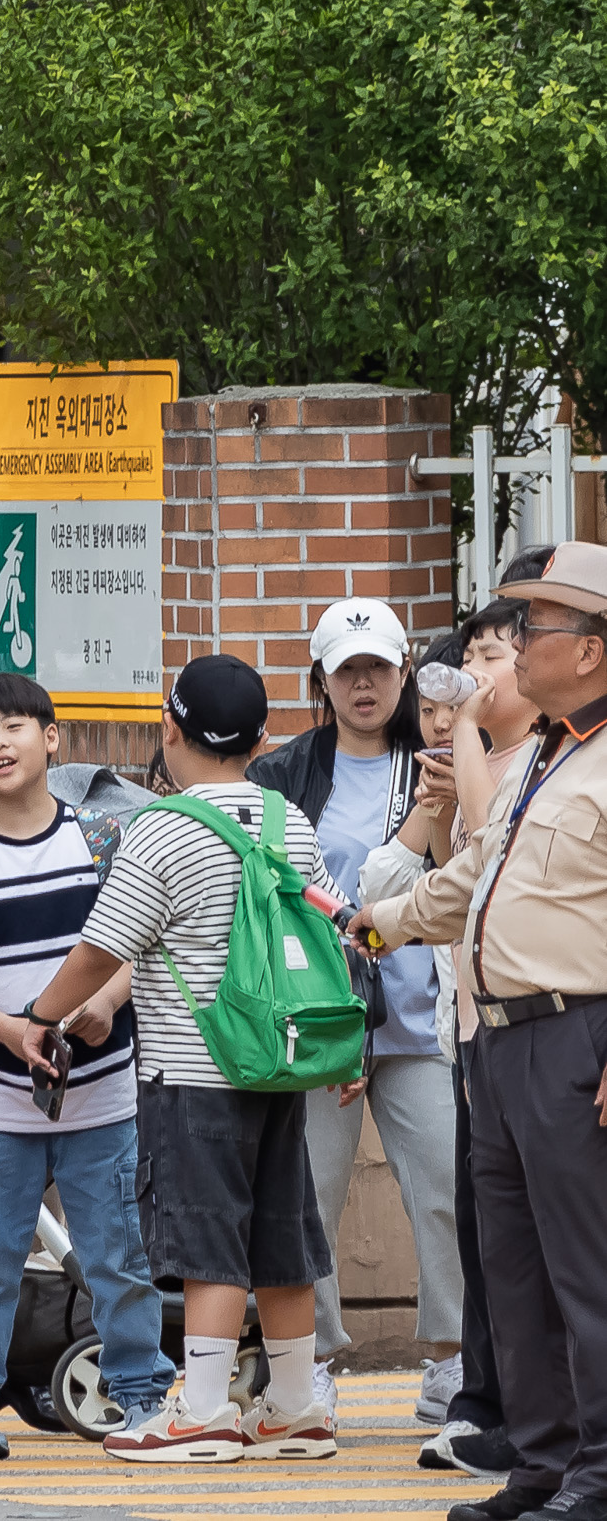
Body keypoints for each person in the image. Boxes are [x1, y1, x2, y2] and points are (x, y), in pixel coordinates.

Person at [22, 652, 341, 1463]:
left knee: (207, 1240)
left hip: (194, 1075)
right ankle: (295, 1405)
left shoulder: (161, 827)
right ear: (262, 737)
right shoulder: (287, 822)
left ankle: (202, 1409)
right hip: (279, 1065)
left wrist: (41, 1014)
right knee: (280, 1233)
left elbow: (103, 948)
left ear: (170, 729)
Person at [356, 542, 607, 1521]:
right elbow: (475, 881)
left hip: (574, 1036)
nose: (509, 646)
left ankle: (598, 1471)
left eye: (531, 629)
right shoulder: (550, 749)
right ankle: (543, 1465)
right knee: (513, 1268)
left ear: (587, 650)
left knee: (584, 1270)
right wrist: (374, 921)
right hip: (499, 1042)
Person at [0, 673, 169, 1461]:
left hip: (103, 1096)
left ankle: (142, 1399)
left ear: (52, 738)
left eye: (15, 726)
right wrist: (15, 1030)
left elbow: (141, 946)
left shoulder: (101, 840)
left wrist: (103, 1003)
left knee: (118, 1256)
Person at [248, 598, 459, 1426]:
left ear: (405, 674)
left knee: (443, 1188)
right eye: (347, 670)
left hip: (420, 1019)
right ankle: (315, 1360)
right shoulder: (285, 774)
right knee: (309, 1193)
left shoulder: (439, 764)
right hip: (321, 1025)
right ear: (322, 680)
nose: (364, 684)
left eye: (379, 667)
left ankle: (453, 1358)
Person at [394, 594, 547, 1479]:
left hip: (542, 1026)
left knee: (540, 1243)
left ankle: (532, 1426)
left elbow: (487, 852)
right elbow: (456, 868)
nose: (484, 671)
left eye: (501, 652)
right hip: (475, 1021)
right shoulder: (500, 755)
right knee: (498, 1239)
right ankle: (501, 1412)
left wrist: (472, 746)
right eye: (479, 651)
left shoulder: (546, 758)